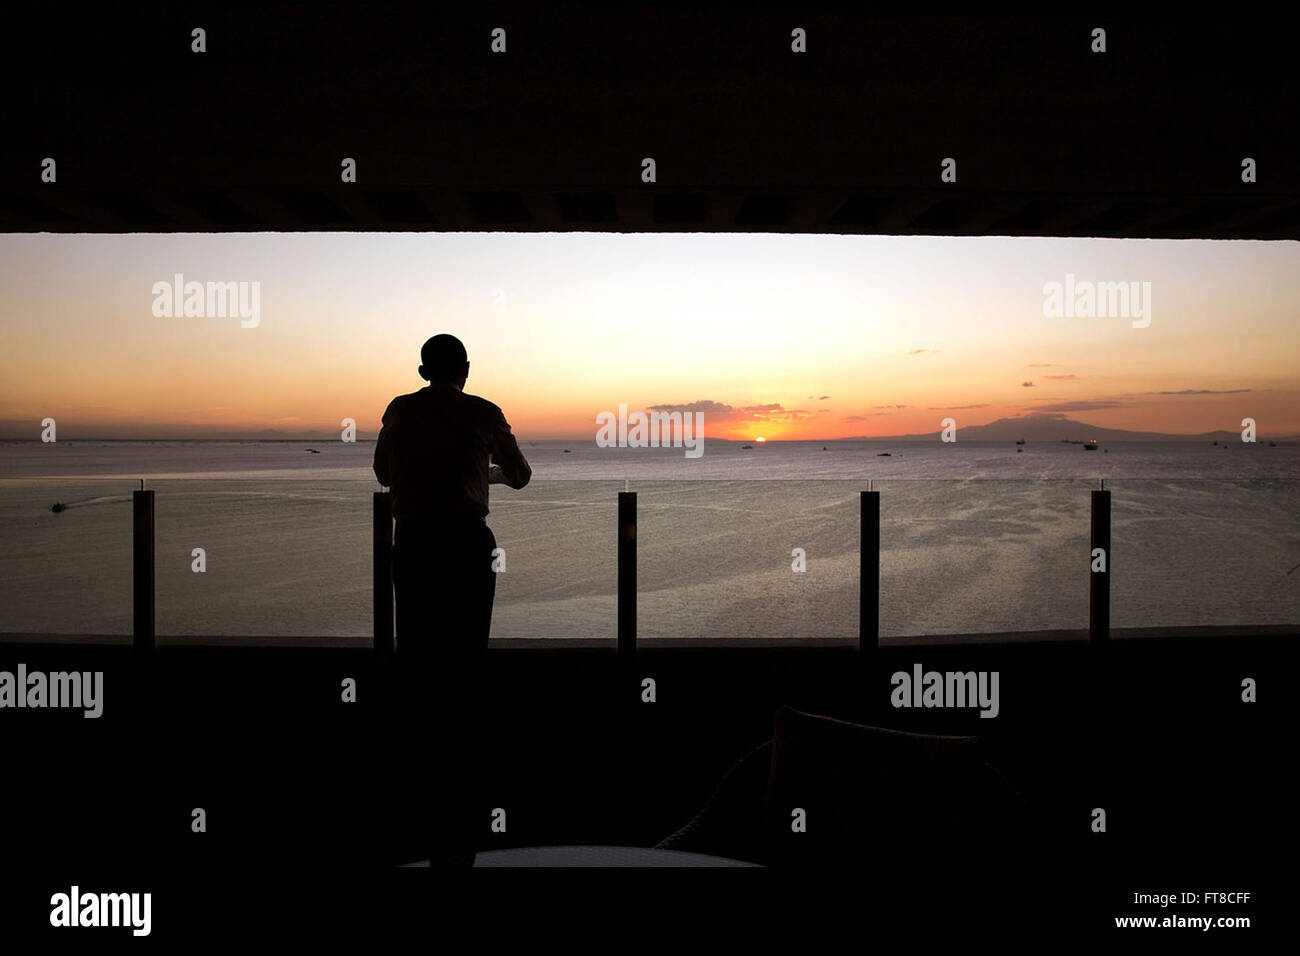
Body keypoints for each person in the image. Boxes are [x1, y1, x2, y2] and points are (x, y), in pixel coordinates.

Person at [373, 333, 531, 866]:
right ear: (465, 368)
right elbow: (520, 475)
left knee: (416, 648)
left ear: (422, 370)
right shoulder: (485, 412)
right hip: (467, 542)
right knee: (467, 650)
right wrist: (478, 474)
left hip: (414, 542)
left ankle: (417, 759)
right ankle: (464, 757)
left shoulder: (399, 410)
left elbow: (382, 473)